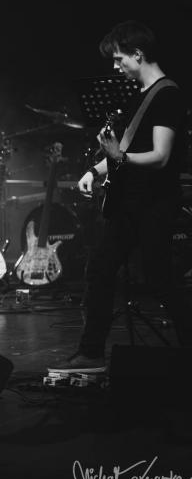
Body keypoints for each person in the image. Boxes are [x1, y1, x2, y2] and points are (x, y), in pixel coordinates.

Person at [51, 21, 190, 372]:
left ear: (137, 54)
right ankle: (91, 353)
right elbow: (122, 149)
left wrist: (119, 158)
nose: (115, 67)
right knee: (99, 270)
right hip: (128, 204)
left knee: (160, 281)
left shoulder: (167, 95)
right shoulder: (140, 95)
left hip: (154, 203)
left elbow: (160, 156)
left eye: (119, 59)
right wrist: (93, 171)